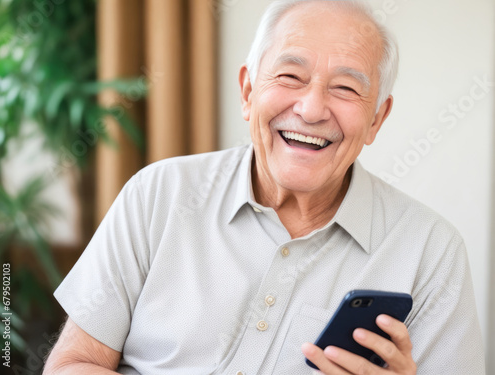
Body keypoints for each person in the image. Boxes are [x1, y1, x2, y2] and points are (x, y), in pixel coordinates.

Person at [43, 1, 486, 374]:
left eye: (346, 87)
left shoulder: (431, 252)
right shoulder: (159, 194)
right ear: (248, 91)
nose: (312, 109)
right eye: (290, 77)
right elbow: (72, 363)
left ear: (376, 119)